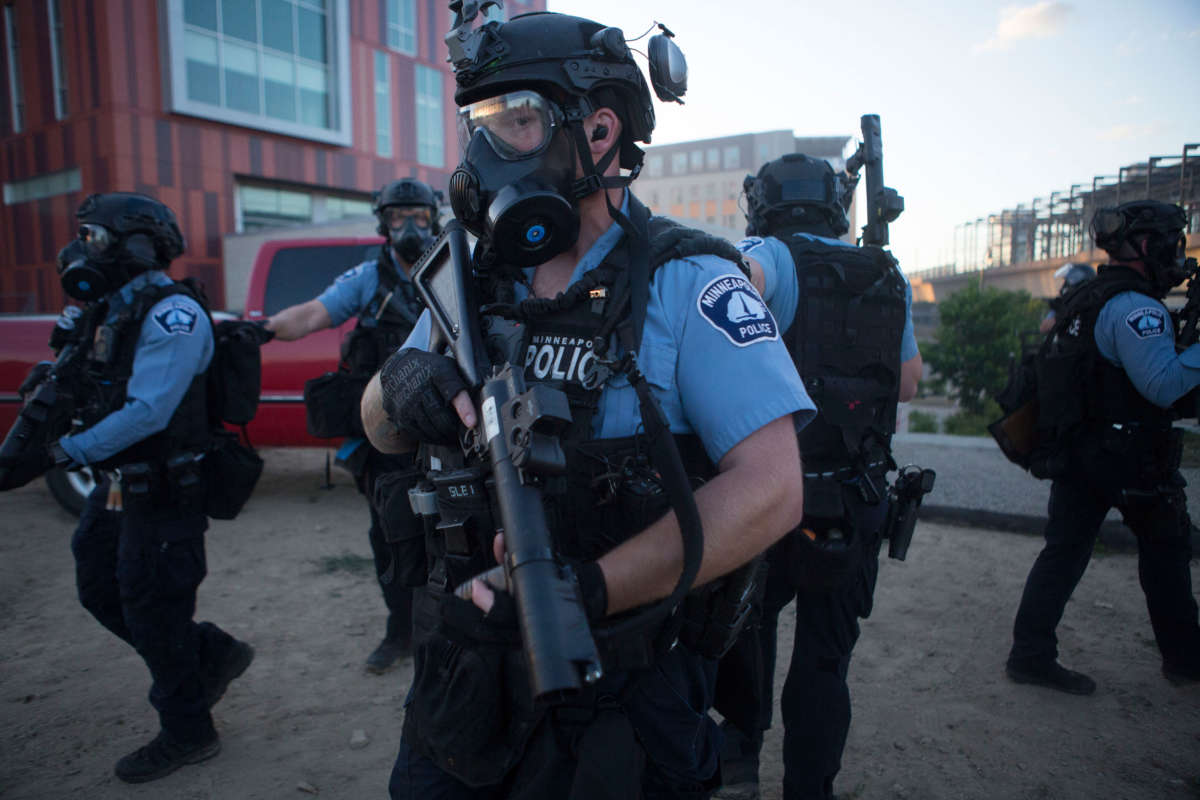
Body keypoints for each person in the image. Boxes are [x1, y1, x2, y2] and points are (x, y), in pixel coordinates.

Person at [359, 8, 812, 799]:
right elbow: (375, 424)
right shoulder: (472, 279)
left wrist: (591, 588)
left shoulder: (688, 281)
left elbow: (773, 488)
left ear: (597, 130)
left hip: (621, 700)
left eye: (516, 123)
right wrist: (400, 389)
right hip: (462, 683)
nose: (484, 155)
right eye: (480, 126)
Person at [1, 193, 255, 782]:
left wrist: (65, 452)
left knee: (153, 611)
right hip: (118, 485)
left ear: (137, 244)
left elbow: (149, 411)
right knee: (98, 584)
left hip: (167, 491)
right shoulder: (108, 308)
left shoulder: (172, 313)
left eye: (93, 238)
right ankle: (210, 653)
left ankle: (188, 732)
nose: (80, 251)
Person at [711, 153, 922, 800]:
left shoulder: (769, 252)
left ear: (764, 202)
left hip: (770, 495)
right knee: (826, 659)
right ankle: (809, 788)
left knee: (747, 632)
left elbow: (732, 283)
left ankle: (741, 758)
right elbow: (908, 385)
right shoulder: (887, 271)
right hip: (855, 495)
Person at [1006, 199, 1200, 694]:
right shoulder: (1137, 307)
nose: (1176, 251)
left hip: (1080, 451)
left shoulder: (1086, 296)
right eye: (1170, 241)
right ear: (1145, 245)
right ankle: (1185, 659)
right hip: (1129, 457)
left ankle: (1029, 655)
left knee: (1064, 554)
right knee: (1166, 553)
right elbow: (1162, 384)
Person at [265, 179, 440, 673]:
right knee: (388, 532)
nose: (410, 227)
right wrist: (260, 330)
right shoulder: (367, 278)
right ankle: (400, 632)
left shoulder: (455, 269)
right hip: (383, 432)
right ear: (383, 223)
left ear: (435, 218)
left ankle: (447, 630)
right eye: (399, 216)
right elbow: (313, 314)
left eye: (420, 216)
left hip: (445, 425)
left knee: (454, 527)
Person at [1040, 262, 1096, 333]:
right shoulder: (1063, 305)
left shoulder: (1093, 306)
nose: (1063, 287)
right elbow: (1044, 327)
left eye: (1067, 283)